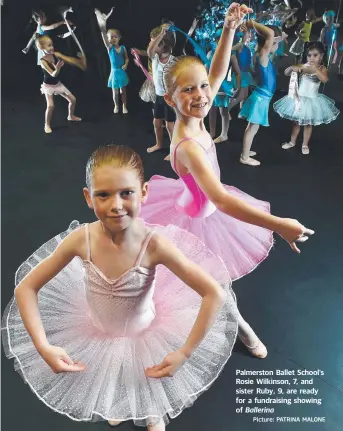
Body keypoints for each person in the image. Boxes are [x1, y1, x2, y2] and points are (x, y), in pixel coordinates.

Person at [2, 144, 268, 430]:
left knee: (147, 375)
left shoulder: (153, 244)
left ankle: (152, 411)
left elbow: (214, 291)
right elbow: (25, 288)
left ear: (143, 192)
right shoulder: (80, 240)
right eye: (103, 195)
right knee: (112, 373)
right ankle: (120, 404)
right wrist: (43, 345)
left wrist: (184, 352)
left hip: (146, 332)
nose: (116, 205)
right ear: (88, 197)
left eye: (126, 193)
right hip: (97, 329)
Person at [140, 4, 314, 285]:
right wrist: (279, 225)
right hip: (195, 220)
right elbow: (219, 199)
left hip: (201, 208)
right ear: (170, 100)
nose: (201, 95)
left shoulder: (196, 115)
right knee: (202, 282)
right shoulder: (188, 146)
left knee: (209, 281)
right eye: (188, 89)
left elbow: (217, 73)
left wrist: (229, 28)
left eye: (203, 86)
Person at [274, 41, 339, 155]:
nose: (312, 58)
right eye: (309, 55)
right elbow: (286, 72)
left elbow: (324, 80)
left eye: (315, 55)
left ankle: (305, 144)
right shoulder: (303, 65)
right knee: (296, 122)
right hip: (300, 99)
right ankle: (292, 141)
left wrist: (316, 70)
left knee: (309, 124)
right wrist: (292, 68)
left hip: (312, 100)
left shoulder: (322, 68)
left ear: (321, 56)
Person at [238, 21, 282, 166]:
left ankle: (246, 150)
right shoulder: (263, 55)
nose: (278, 45)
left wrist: (277, 37)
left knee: (251, 127)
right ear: (269, 41)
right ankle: (244, 157)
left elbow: (271, 35)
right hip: (261, 99)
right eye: (276, 43)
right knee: (252, 128)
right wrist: (252, 24)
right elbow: (269, 34)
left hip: (262, 97)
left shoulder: (262, 54)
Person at [37, 35, 87, 134]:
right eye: (48, 46)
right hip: (48, 86)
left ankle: (71, 116)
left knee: (73, 100)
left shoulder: (56, 54)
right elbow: (53, 74)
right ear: (42, 48)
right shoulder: (43, 61)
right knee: (51, 106)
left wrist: (79, 62)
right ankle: (46, 124)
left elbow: (68, 59)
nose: (51, 47)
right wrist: (58, 68)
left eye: (52, 45)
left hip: (57, 84)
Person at [146, 24, 176, 158]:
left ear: (163, 44)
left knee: (170, 126)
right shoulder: (155, 57)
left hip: (169, 98)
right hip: (158, 96)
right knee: (156, 122)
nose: (150, 45)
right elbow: (149, 51)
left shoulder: (173, 61)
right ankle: (159, 144)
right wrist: (160, 34)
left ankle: (174, 150)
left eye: (154, 42)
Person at [95, 9, 129, 114]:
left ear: (119, 38)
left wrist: (126, 64)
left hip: (122, 72)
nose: (113, 39)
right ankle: (116, 105)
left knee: (123, 91)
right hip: (114, 73)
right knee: (115, 93)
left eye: (115, 37)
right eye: (111, 37)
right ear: (109, 40)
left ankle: (124, 106)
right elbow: (103, 35)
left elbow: (127, 58)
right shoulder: (110, 49)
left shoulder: (123, 48)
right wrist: (103, 27)